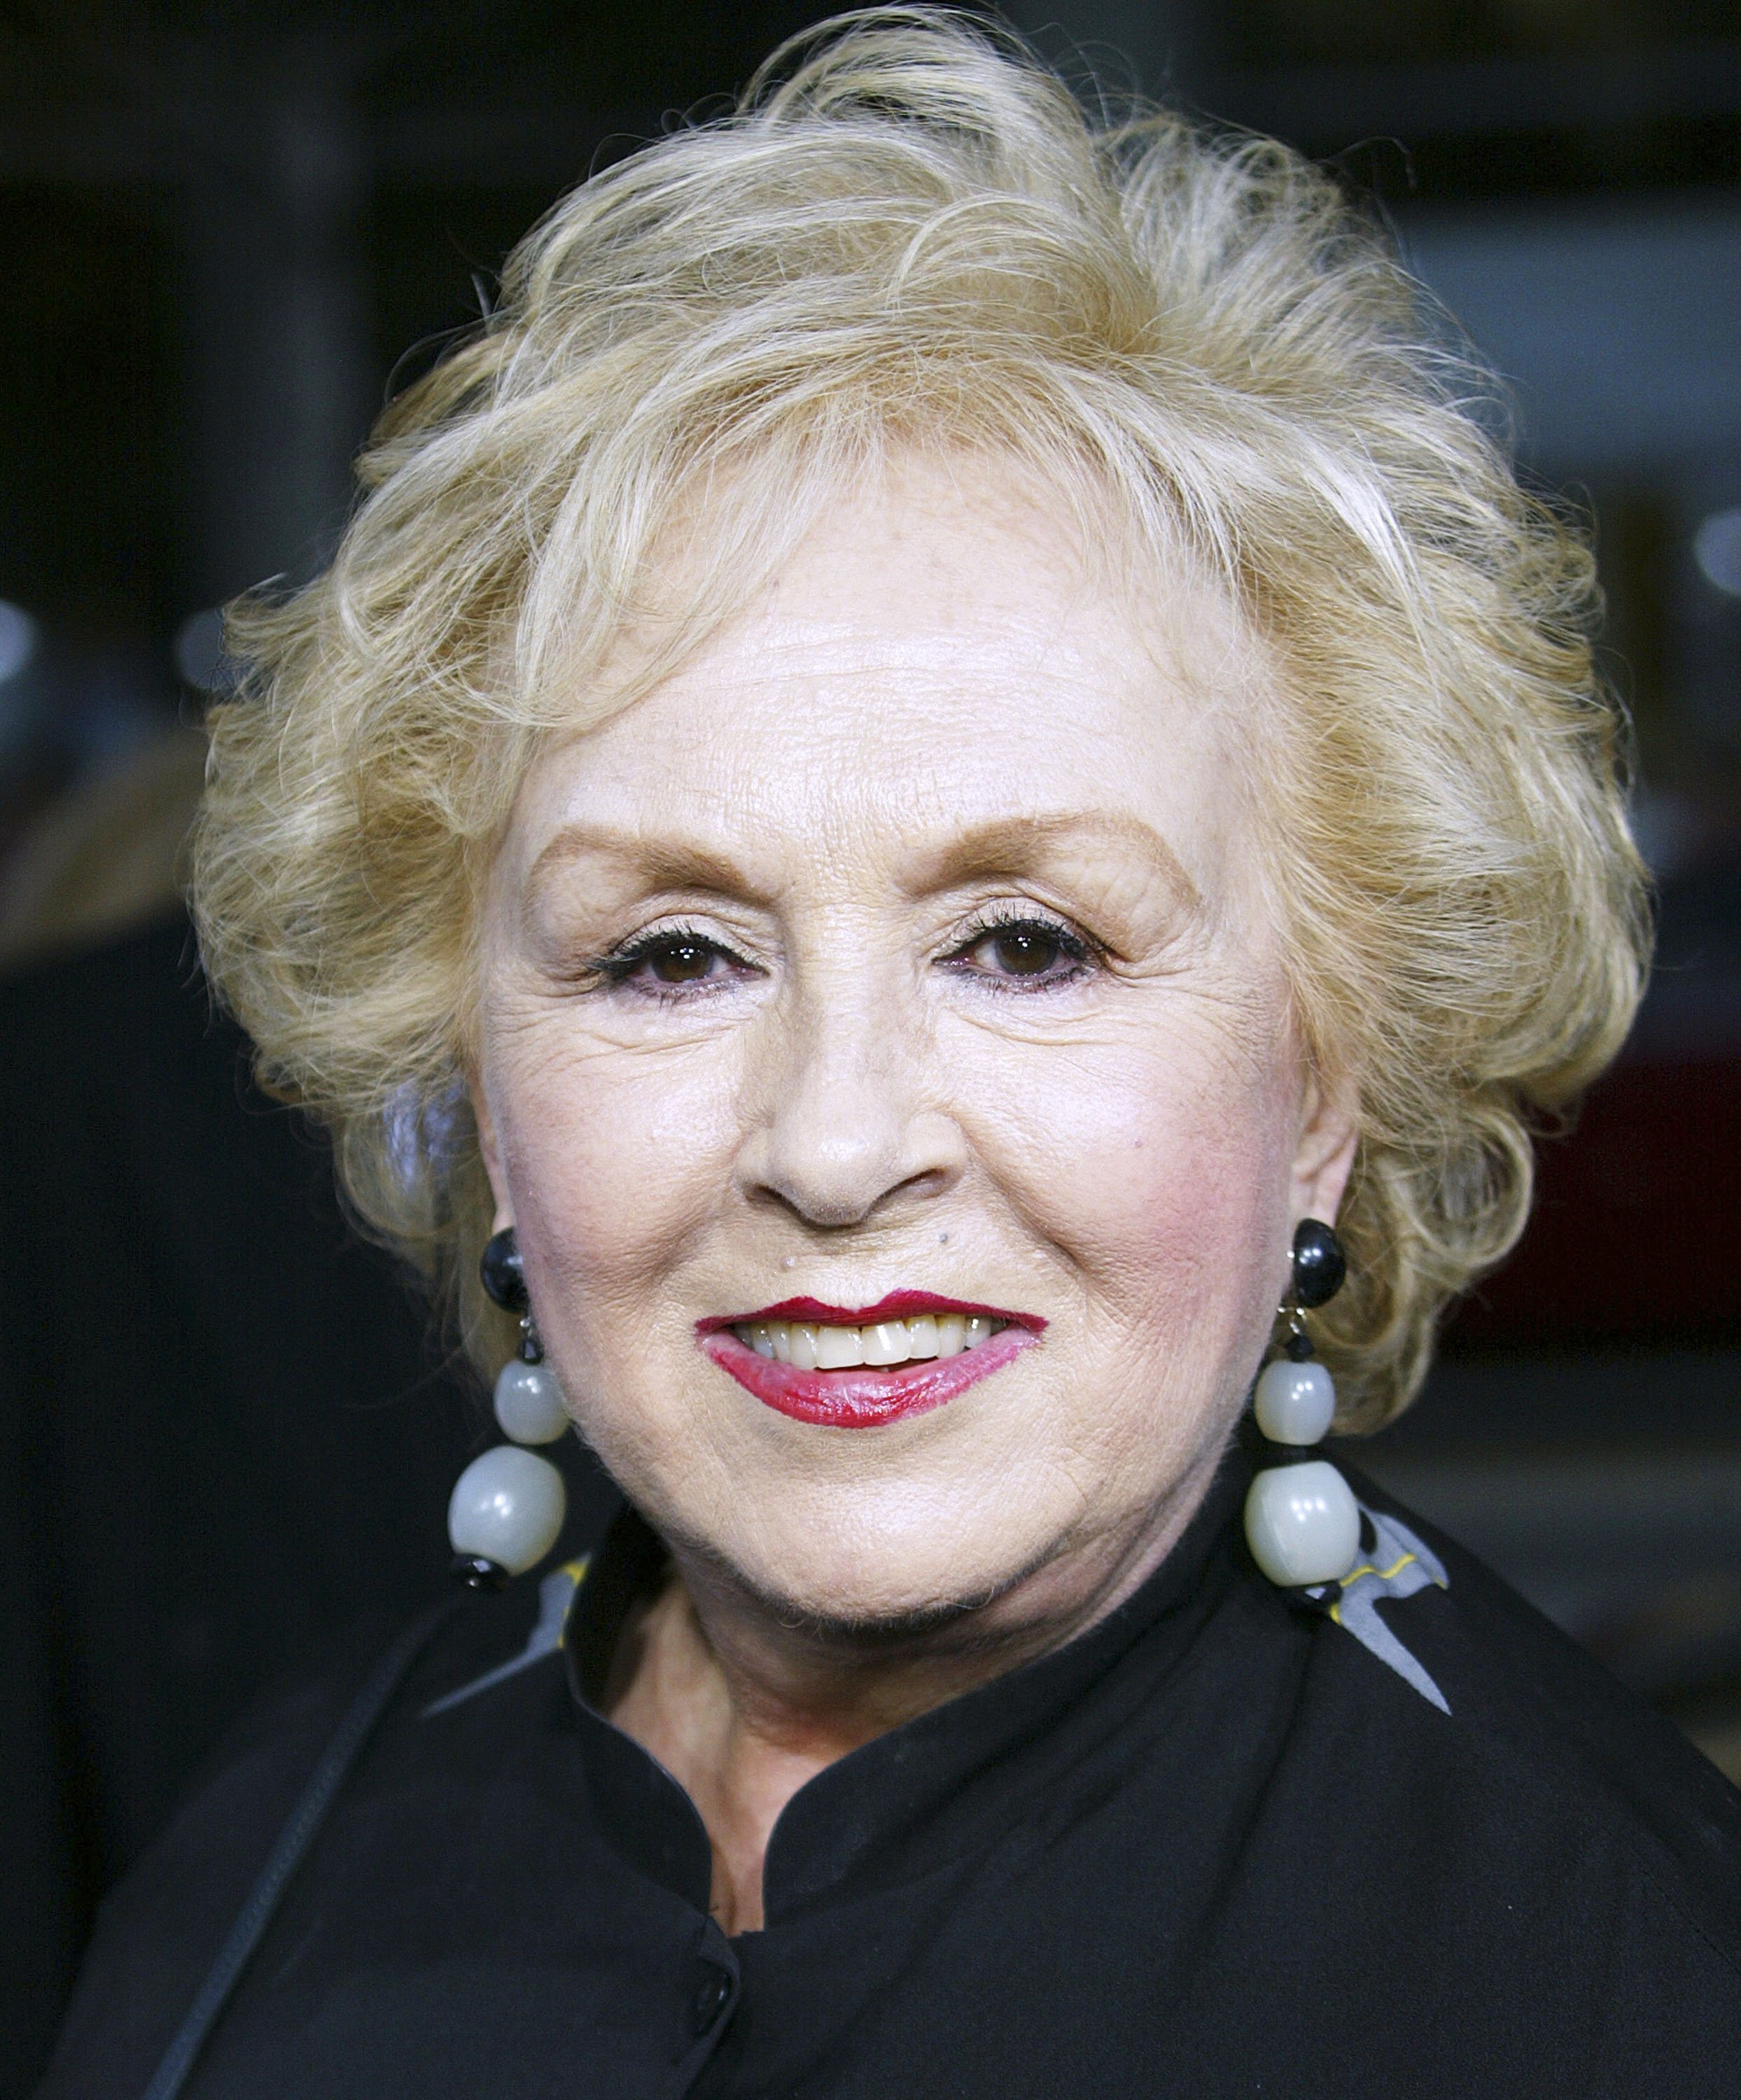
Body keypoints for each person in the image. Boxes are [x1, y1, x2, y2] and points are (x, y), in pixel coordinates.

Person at [38, 12, 1741, 2096]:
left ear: (1325, 1081)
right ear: (472, 1087)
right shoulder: (274, 1851)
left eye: (1030, 941)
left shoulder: (1623, 1984)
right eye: (672, 956)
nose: (836, 1144)